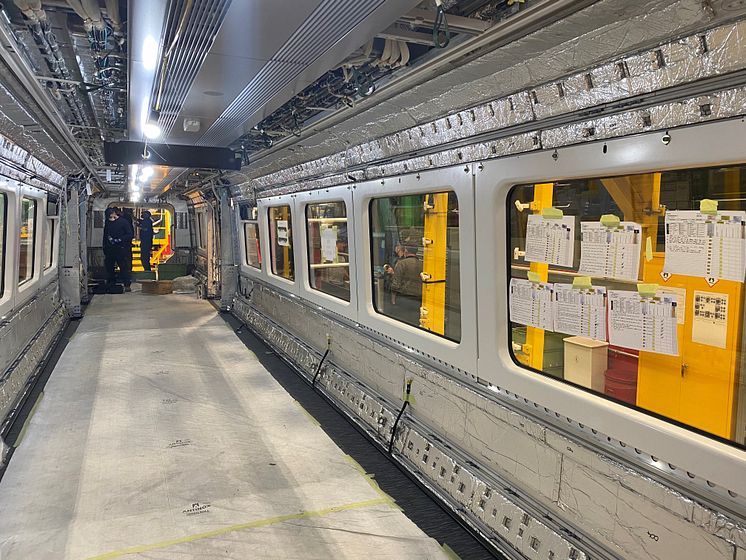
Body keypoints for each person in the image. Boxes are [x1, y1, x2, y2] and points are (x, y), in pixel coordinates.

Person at [384, 233, 423, 326]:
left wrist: (392, 297)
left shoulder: (402, 263)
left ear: (405, 250)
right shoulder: (422, 264)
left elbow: (396, 284)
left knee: (402, 322)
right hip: (418, 298)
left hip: (404, 298)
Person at [103, 207, 134, 292]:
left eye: (111, 216)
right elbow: (105, 235)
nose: (110, 219)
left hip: (121, 249)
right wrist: (105, 246)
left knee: (124, 267)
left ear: (114, 214)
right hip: (110, 249)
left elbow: (130, 234)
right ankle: (111, 284)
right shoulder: (108, 223)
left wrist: (120, 239)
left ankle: (127, 284)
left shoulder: (123, 222)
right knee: (109, 268)